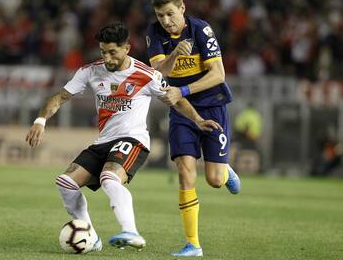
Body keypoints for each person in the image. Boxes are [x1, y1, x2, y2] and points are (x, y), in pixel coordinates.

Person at [25, 22, 222, 252]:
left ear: (126, 48)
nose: (107, 58)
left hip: (133, 140)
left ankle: (131, 231)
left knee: (110, 178)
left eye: (112, 52)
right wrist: (40, 121)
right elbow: (59, 97)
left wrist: (198, 120)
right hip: (103, 142)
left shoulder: (146, 75)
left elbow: (175, 98)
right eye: (103, 52)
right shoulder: (90, 71)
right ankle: (91, 237)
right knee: (66, 183)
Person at [146, 0, 241, 257]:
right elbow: (158, 72)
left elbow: (219, 75)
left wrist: (184, 89)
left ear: (182, 8)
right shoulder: (154, 33)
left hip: (212, 107)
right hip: (181, 109)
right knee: (185, 171)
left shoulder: (201, 30)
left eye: (170, 14)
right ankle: (193, 245)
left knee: (214, 179)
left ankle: (225, 170)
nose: (165, 20)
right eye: (160, 15)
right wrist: (175, 53)